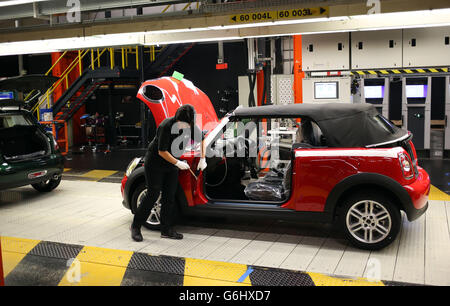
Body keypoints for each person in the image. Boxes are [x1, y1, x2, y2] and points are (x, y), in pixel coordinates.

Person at [130, 104, 207, 241]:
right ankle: (136, 226)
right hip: (155, 163)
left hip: (171, 165)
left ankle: (166, 230)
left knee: (169, 197)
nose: (186, 127)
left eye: (188, 125)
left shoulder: (190, 125)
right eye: (183, 124)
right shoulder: (166, 126)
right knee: (152, 195)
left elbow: (202, 139)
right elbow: (162, 151)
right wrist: (178, 163)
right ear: (177, 119)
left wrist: (203, 158)